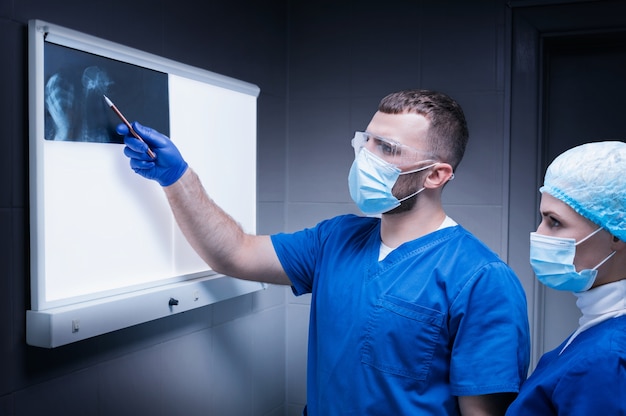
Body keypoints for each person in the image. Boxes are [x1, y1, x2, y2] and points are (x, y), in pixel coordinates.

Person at [119, 89, 530, 416]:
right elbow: (236, 254)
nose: (366, 157)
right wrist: (177, 178)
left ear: (436, 174)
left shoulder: (482, 279)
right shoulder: (337, 238)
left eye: (387, 149)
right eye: (366, 141)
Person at [505, 141, 626, 415]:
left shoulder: (606, 359)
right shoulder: (598, 332)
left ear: (616, 234)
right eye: (542, 218)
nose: (539, 234)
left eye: (554, 222)